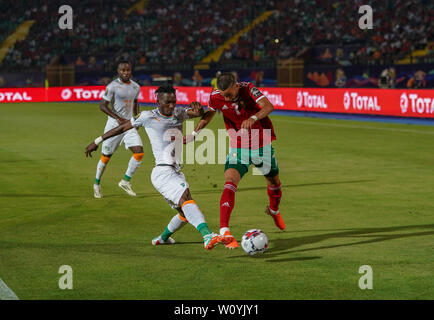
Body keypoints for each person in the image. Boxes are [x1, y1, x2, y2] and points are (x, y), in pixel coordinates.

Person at [85, 85, 225, 250]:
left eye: (173, 102)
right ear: (158, 100)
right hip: (163, 172)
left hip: (175, 171)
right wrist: (97, 141)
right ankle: (208, 236)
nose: (171, 106)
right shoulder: (147, 116)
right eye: (167, 102)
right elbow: (123, 127)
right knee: (186, 198)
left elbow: (197, 113)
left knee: (185, 212)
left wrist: (199, 109)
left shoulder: (178, 113)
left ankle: (163, 238)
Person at [184, 73, 285, 249]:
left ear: (236, 86)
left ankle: (274, 211)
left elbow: (268, 106)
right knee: (230, 181)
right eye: (224, 96)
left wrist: (253, 118)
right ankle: (225, 231)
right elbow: (209, 113)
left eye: (229, 95)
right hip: (238, 145)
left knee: (274, 182)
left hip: (261, 143)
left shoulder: (248, 89)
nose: (227, 99)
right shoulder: (216, 96)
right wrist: (195, 133)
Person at [93, 60, 144, 198]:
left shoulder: (136, 87)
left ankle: (125, 181)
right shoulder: (112, 86)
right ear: (118, 71)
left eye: (128, 70)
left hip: (128, 125)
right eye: (123, 70)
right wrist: (117, 118)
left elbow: (135, 102)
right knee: (106, 157)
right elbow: (103, 106)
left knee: (139, 153)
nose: (126, 73)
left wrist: (137, 119)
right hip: (113, 125)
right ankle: (96, 184)